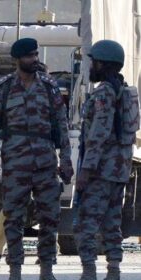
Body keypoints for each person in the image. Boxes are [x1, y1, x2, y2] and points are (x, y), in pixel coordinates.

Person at [0, 38, 73, 280]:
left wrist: (66, 159)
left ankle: (46, 269)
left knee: (49, 216)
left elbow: (61, 126)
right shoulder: (2, 88)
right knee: (13, 218)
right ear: (18, 59)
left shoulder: (49, 86)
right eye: (30, 56)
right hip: (15, 162)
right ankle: (15, 270)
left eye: (36, 55)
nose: (35, 59)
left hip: (45, 162)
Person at [74, 40, 138, 280]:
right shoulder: (122, 89)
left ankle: (89, 271)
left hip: (100, 170)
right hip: (119, 170)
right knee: (112, 223)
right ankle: (113, 270)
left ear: (102, 63)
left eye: (93, 62)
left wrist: (86, 169)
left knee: (85, 223)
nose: (91, 66)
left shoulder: (104, 92)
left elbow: (98, 133)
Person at [0, 61, 51, 264]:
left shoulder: (21, 97)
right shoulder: (48, 97)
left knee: (14, 206)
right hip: (42, 161)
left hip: (24, 161)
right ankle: (47, 253)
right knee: (45, 207)